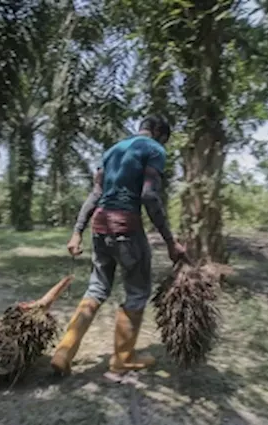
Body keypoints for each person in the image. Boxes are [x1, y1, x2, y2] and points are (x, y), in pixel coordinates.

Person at [50, 114, 187, 377]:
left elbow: (96, 194)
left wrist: (77, 232)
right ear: (158, 131)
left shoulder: (112, 150)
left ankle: (64, 352)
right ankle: (122, 359)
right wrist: (170, 241)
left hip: (100, 226)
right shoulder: (154, 150)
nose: (164, 145)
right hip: (126, 228)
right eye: (164, 139)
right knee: (137, 292)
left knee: (97, 288)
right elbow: (149, 195)